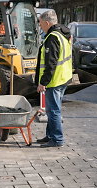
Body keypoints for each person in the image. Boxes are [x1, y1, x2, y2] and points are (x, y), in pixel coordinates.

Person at [35, 10, 72, 148]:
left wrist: (43, 82)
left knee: (54, 111)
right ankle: (50, 135)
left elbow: (50, 64)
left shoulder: (53, 38)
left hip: (55, 80)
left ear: (47, 23)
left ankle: (57, 139)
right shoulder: (62, 34)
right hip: (63, 78)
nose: (40, 27)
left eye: (40, 24)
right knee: (51, 110)